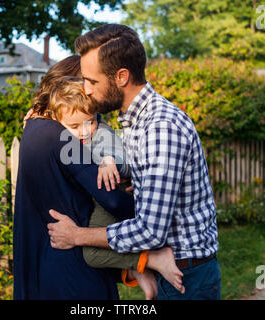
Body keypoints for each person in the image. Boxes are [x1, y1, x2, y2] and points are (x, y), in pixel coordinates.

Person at [47, 24, 221, 300]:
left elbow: (150, 231)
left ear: (121, 77)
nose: (87, 91)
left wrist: (77, 236)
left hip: (186, 279)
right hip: (176, 273)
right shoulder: (133, 122)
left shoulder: (160, 127)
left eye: (92, 81)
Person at [15, 57, 181, 300]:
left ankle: (142, 265)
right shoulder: (61, 130)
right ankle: (141, 265)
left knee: (98, 246)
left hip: (67, 248)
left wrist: (114, 166)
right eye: (88, 82)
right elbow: (112, 199)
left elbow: (114, 187)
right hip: (72, 260)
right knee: (97, 249)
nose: (93, 89)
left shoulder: (78, 127)